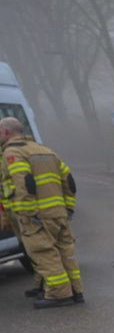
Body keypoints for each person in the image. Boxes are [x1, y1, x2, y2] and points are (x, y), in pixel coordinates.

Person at [0, 116, 82, 308]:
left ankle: (59, 294)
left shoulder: (13, 153)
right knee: (64, 253)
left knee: (44, 253)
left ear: (5, 132)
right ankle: (75, 290)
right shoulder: (45, 150)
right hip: (58, 213)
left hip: (35, 216)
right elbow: (69, 183)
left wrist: (28, 214)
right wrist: (68, 208)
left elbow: (23, 184)